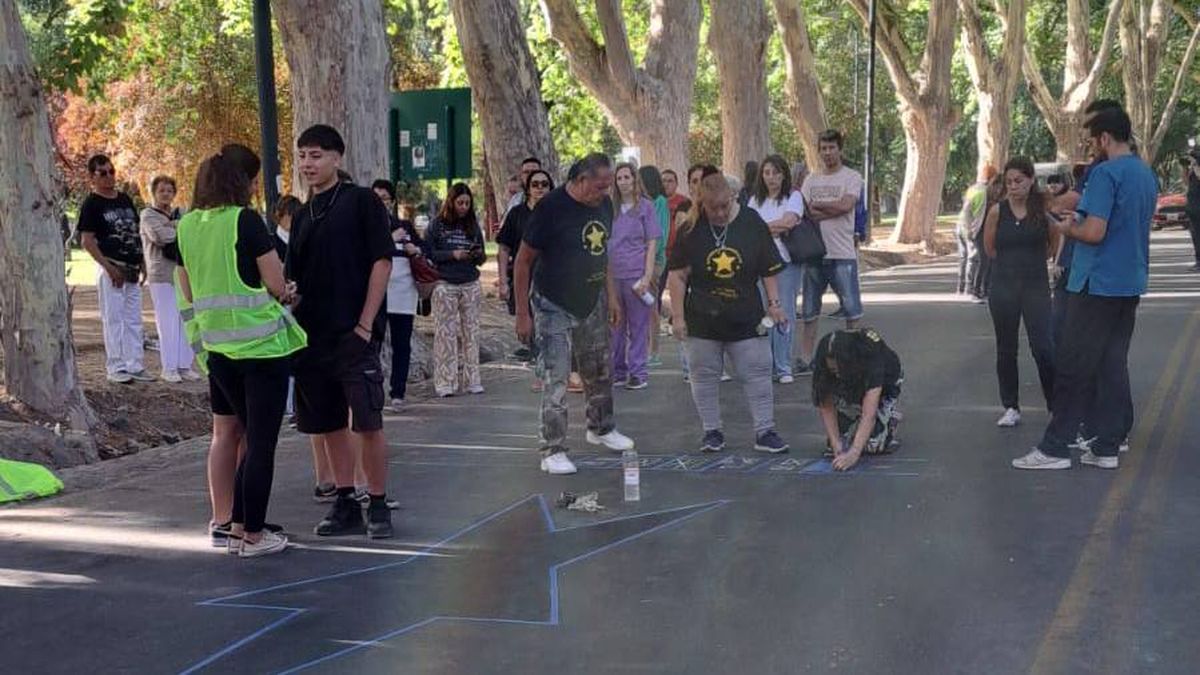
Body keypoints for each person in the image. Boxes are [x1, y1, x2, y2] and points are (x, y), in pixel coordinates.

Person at [176, 147, 306, 557]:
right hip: (262, 347)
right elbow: (275, 281)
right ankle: (251, 534)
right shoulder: (244, 221)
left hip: (218, 350)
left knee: (232, 434)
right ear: (239, 183)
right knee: (261, 442)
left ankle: (231, 522)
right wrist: (289, 295)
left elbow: (190, 289)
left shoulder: (187, 226)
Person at [1013, 106, 1157, 471]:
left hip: (1097, 283)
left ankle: (1056, 446)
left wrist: (1065, 229)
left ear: (1105, 138)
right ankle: (1107, 446)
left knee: (1073, 364)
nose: (1094, 147)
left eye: (1094, 140)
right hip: (1129, 281)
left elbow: (1094, 232)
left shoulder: (1106, 173)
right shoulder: (1144, 173)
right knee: (1111, 362)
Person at [286, 124, 395, 537]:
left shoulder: (362, 202)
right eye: (302, 156)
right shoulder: (300, 215)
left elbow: (381, 262)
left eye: (315, 155)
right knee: (328, 422)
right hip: (312, 335)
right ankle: (345, 499)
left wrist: (366, 324)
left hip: (355, 332)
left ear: (336, 158)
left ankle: (379, 502)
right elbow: (293, 276)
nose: (307, 164)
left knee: (367, 420)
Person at [513, 153, 636, 475]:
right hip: (553, 301)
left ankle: (601, 428)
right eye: (599, 186)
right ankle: (552, 448)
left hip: (591, 298)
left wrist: (611, 297)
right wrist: (522, 313)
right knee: (556, 377)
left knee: (599, 369)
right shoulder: (550, 208)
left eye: (608, 186)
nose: (605, 192)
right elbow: (523, 261)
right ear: (580, 181)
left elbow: (603, 252)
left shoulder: (604, 206)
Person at [667, 173, 790, 453]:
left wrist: (775, 304)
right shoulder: (690, 229)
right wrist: (678, 317)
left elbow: (768, 268)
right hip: (702, 316)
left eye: (725, 206)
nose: (720, 213)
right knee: (703, 375)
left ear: (733, 198)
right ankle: (712, 431)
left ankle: (765, 430)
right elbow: (677, 277)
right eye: (713, 208)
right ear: (702, 203)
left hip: (745, 314)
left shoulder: (751, 222)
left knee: (758, 371)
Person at [983, 157, 1058, 428]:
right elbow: (990, 248)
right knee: (1006, 348)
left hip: (1035, 286)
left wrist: (1040, 261)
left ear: (1030, 180)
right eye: (1009, 182)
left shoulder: (1042, 209)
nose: (1013, 187)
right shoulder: (996, 212)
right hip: (1003, 286)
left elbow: (1054, 240)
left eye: (1019, 181)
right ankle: (1011, 406)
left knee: (1044, 347)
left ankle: (1055, 405)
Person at [78, 154, 152, 384]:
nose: (109, 177)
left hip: (132, 267)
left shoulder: (125, 200)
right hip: (112, 267)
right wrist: (109, 268)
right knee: (113, 318)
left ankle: (135, 364)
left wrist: (143, 263)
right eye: (103, 173)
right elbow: (87, 241)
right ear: (92, 177)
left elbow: (135, 231)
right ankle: (116, 366)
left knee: (133, 318)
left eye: (111, 171)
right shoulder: (92, 204)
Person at [798, 130, 865, 374]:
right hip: (815, 253)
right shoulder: (811, 180)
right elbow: (804, 212)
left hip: (842, 253)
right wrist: (830, 209)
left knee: (851, 309)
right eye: (823, 148)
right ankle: (806, 358)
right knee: (809, 310)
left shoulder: (852, 177)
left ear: (840, 149)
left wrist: (819, 207)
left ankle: (854, 356)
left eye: (832, 148)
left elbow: (847, 205)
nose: (827, 153)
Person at [425, 183, 486, 397]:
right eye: (460, 203)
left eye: (467, 203)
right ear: (451, 202)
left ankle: (472, 380)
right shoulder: (437, 226)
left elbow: (483, 257)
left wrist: (475, 254)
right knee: (445, 334)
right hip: (445, 283)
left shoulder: (472, 225)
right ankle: (445, 382)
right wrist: (452, 254)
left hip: (469, 282)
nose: (464, 207)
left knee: (472, 332)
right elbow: (429, 253)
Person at [812, 328, 903, 471]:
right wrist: (836, 444)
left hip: (885, 385)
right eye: (832, 371)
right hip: (850, 387)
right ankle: (852, 415)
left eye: (838, 369)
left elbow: (869, 414)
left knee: (872, 445)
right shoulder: (822, 353)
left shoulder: (870, 353)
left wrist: (854, 454)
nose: (835, 374)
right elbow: (825, 403)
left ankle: (888, 419)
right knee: (837, 445)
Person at [748, 155, 805, 383]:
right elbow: (748, 228)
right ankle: (767, 364)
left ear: (784, 174)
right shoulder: (755, 201)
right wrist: (770, 229)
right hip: (759, 264)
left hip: (785, 261)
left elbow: (789, 222)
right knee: (764, 313)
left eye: (776, 172)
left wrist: (762, 230)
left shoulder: (793, 196)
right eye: (767, 173)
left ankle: (783, 366)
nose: (771, 178)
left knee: (784, 311)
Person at [139, 175, 199, 383]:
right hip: (161, 273)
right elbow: (160, 237)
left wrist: (175, 225)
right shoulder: (148, 215)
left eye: (169, 190)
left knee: (185, 318)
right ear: (154, 193)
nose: (165, 194)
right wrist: (178, 227)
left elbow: (193, 233)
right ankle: (169, 367)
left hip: (182, 272)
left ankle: (184, 365)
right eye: (161, 190)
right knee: (167, 321)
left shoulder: (180, 212)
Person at [498, 169, 554, 388]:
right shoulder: (517, 214)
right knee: (532, 326)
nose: (540, 188)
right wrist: (503, 280)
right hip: (525, 278)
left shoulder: (556, 213)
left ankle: (553, 371)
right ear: (528, 189)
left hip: (553, 277)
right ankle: (541, 372)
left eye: (544, 184)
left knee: (551, 325)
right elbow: (503, 248)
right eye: (535, 184)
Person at [609, 163, 660, 390]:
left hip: (636, 273)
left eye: (627, 177)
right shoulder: (609, 209)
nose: (623, 182)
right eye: (619, 178)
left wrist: (648, 275)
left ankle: (638, 371)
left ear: (634, 179)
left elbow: (652, 242)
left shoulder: (645, 208)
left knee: (638, 325)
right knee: (615, 325)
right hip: (612, 274)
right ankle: (617, 370)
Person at [639, 165, 670, 367]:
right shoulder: (640, 203)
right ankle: (643, 348)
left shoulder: (659, 202)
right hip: (637, 260)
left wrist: (649, 257)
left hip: (654, 261)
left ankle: (654, 351)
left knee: (650, 304)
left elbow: (660, 234)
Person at [956, 165, 996, 302]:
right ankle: (976, 290)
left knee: (967, 258)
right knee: (981, 259)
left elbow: (966, 209)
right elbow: (970, 211)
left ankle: (964, 288)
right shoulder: (984, 192)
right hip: (975, 229)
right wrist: (969, 229)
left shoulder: (972, 189)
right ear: (991, 178)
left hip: (965, 227)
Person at [1183, 149, 1200, 272]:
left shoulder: (1197, 169)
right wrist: (1185, 168)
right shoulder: (1192, 171)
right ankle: (1198, 260)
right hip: (1192, 207)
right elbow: (1185, 182)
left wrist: (1195, 165)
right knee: (1195, 235)